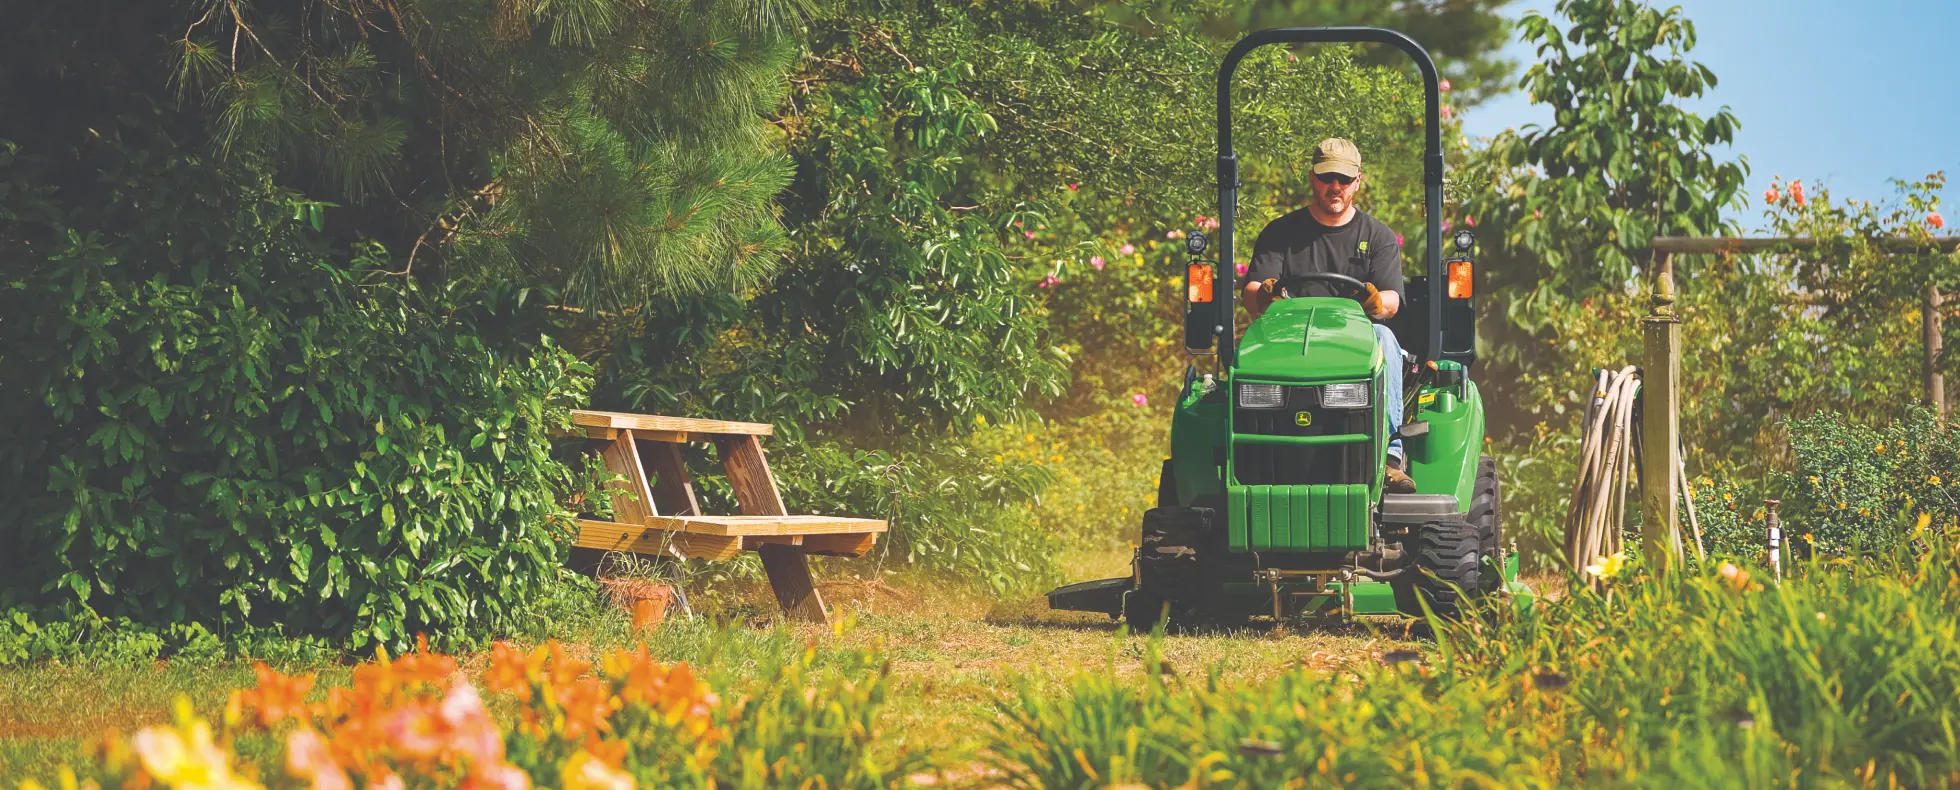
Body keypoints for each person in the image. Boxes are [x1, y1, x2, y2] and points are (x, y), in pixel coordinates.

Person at [1242, 137, 1415, 494]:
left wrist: (1373, 303)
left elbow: (1391, 300)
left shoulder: (1377, 237)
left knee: (1385, 338)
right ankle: (1247, 456)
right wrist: (1265, 294)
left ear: (1357, 182)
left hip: (1356, 340)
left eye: (1344, 179)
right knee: (1245, 350)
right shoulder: (1281, 234)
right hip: (1289, 337)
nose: (1335, 186)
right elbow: (1251, 291)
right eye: (1326, 177)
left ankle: (1390, 459)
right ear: (1312, 179)